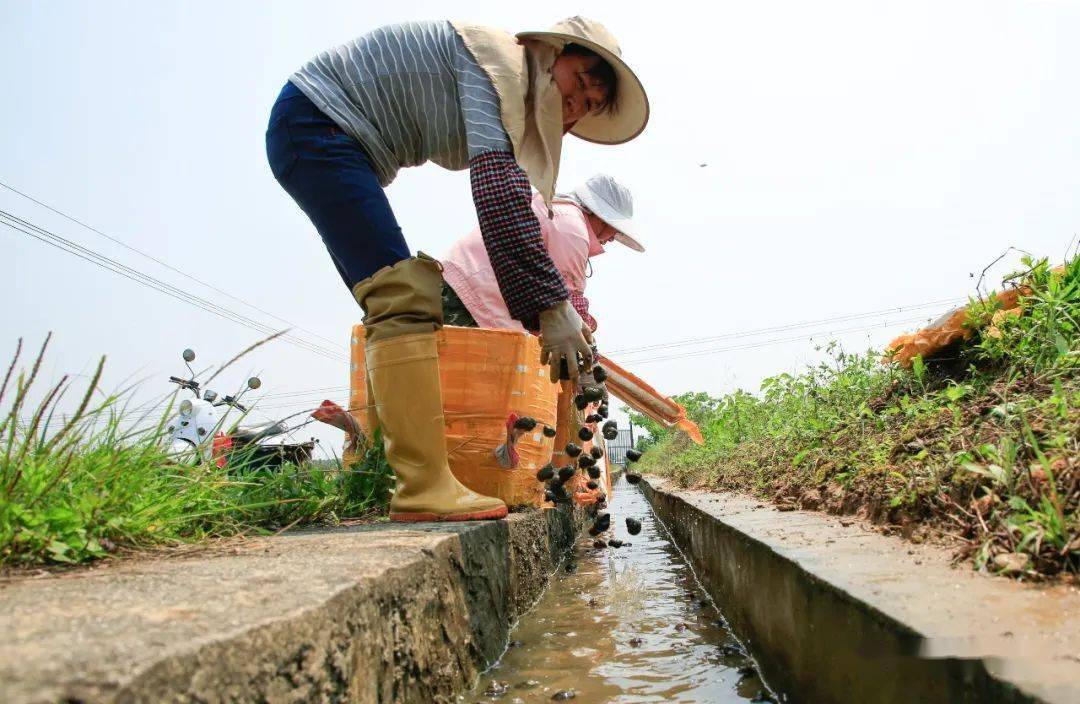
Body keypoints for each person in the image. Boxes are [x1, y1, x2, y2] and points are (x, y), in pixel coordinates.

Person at [265, 18, 649, 522]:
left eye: (587, 106)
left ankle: (399, 480)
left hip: (323, 135)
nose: (574, 107)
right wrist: (552, 308)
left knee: (396, 301)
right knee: (401, 297)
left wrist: (554, 311)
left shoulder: (506, 81)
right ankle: (422, 486)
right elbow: (498, 194)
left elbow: (507, 193)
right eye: (577, 84)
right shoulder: (500, 68)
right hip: (322, 126)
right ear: (551, 52)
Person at [442, 173, 644, 332]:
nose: (614, 236)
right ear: (601, 216)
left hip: (456, 283)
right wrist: (587, 338)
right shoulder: (573, 230)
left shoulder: (553, 208)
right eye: (615, 227)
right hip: (473, 300)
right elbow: (568, 305)